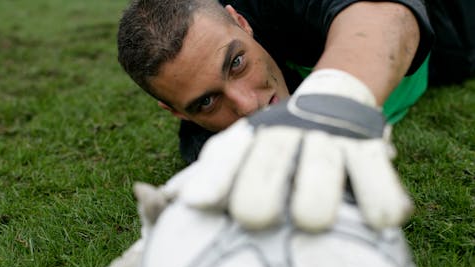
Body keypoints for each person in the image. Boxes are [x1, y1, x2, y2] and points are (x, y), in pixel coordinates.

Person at [117, 0, 474, 164]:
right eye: (207, 102)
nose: (246, 104)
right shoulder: (213, 151)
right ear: (177, 112)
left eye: (237, 63)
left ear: (240, 21)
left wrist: (323, 112)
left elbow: (384, 16)